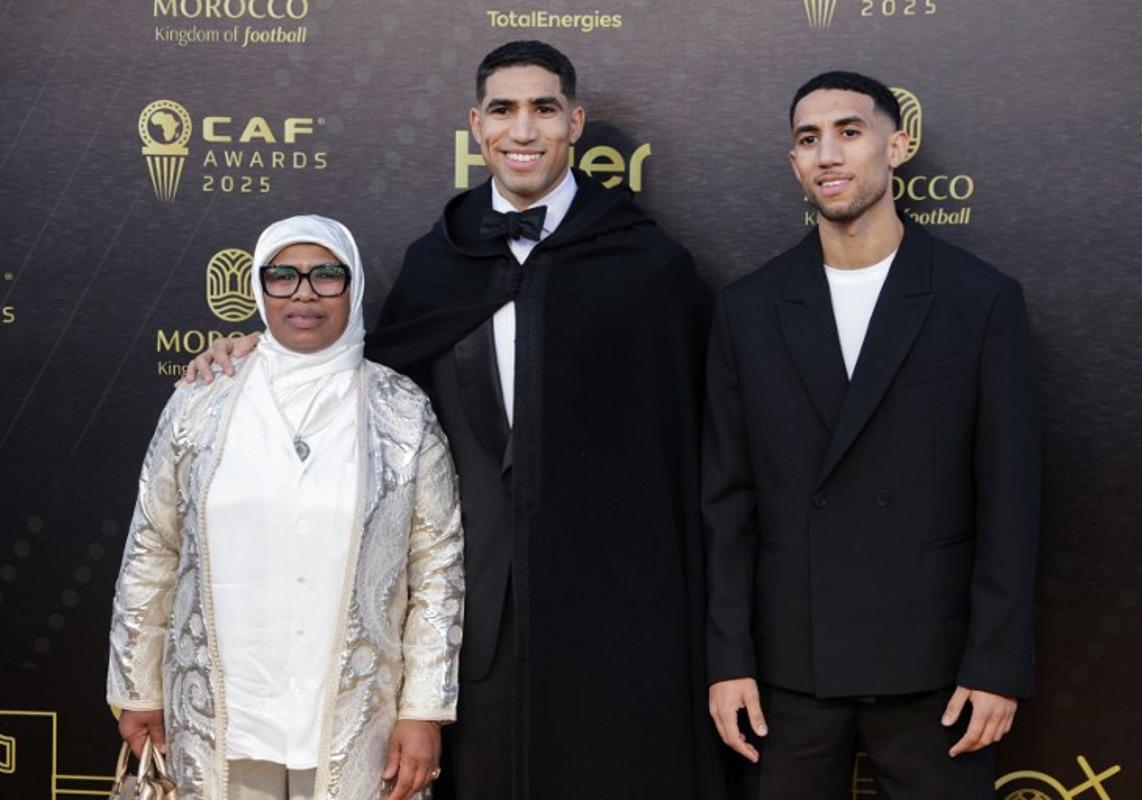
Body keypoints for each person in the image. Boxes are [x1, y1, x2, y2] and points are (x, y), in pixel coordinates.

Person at [182, 42, 723, 800]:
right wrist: (261, 350)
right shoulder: (438, 261)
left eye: (542, 108)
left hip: (611, 603)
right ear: (476, 125)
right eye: (503, 110)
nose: (523, 129)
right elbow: (362, 386)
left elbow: (695, 437)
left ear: (575, 121)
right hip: (470, 610)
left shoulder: (648, 265)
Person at [704, 71, 1041, 799]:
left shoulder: (980, 301)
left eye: (849, 132)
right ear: (793, 162)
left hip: (938, 673)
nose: (828, 154)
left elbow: (1010, 501)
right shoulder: (748, 309)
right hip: (788, 675)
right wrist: (727, 659)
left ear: (899, 144)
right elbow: (727, 503)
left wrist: (995, 665)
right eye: (808, 139)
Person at [108, 215, 465, 800]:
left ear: (353, 290)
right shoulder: (202, 401)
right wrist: (137, 689)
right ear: (258, 287)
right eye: (284, 276)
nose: (304, 292)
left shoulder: (401, 410)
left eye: (327, 275)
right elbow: (153, 548)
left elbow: (437, 569)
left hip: (357, 722)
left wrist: (423, 708)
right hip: (219, 717)